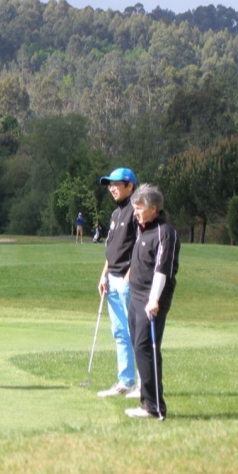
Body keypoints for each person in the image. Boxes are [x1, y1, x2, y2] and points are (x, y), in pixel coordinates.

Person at [124, 184, 180, 420]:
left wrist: (154, 299)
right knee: (139, 347)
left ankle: (154, 406)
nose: (135, 212)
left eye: (139, 208)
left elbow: (162, 270)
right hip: (136, 296)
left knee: (147, 348)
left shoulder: (165, 233)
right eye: (134, 207)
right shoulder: (143, 227)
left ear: (153, 208)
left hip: (151, 299)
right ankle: (146, 401)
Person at [97, 168, 140, 398]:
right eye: (109, 184)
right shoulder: (116, 214)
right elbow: (110, 249)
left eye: (116, 184)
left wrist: (129, 276)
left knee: (136, 332)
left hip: (127, 279)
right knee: (120, 332)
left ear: (130, 186)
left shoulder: (136, 211)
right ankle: (126, 380)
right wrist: (104, 274)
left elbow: (140, 248)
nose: (112, 188)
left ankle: (143, 385)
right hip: (112, 279)